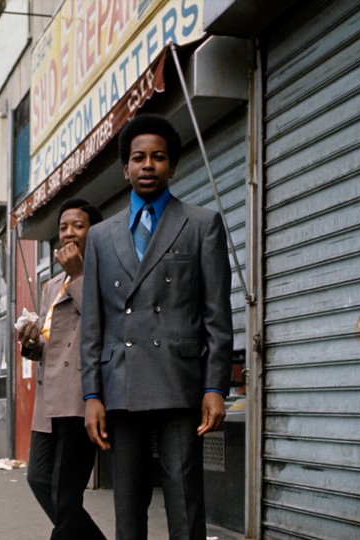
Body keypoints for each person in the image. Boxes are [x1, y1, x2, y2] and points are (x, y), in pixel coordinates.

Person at [80, 114, 233, 540]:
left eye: (159, 157)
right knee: (128, 509)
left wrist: (215, 387)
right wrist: (92, 395)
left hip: (179, 385)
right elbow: (93, 324)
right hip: (121, 385)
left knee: (185, 504)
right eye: (139, 158)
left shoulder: (202, 224)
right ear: (125, 168)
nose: (148, 165)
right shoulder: (100, 237)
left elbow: (217, 315)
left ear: (173, 166)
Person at [17, 198, 106, 540]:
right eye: (63, 227)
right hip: (48, 399)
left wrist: (80, 275)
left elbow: (103, 326)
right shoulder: (52, 286)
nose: (69, 233)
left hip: (80, 397)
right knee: (38, 478)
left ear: (94, 233)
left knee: (66, 496)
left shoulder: (102, 274)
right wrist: (30, 342)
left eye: (78, 226)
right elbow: (50, 343)